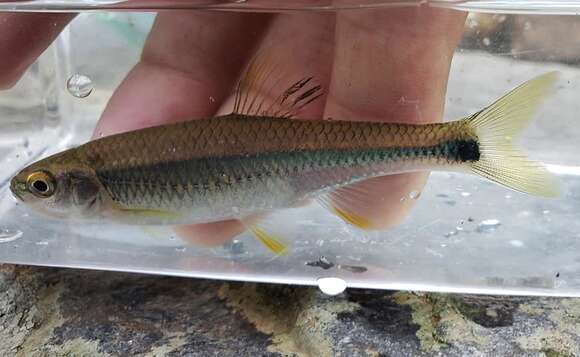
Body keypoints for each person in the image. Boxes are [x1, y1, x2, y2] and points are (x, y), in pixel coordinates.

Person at [0, 8, 466, 246]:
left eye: (42, 185)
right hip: (274, 162)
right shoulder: (108, 171)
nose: (34, 190)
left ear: (83, 183)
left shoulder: (111, 188)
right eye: (40, 185)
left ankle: (454, 145)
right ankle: (452, 145)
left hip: (274, 164)